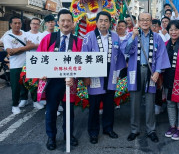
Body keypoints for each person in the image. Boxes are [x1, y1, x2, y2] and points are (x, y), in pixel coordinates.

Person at [37, 9, 82, 150]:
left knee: (69, 111)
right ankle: (51, 137)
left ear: (73, 23)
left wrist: (75, 77)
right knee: (51, 110)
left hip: (70, 81)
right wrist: (41, 72)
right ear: (58, 23)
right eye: (62, 20)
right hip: (53, 82)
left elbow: (83, 64)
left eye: (68, 20)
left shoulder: (78, 42)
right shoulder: (48, 39)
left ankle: (69, 135)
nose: (65, 23)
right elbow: (39, 58)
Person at [124, 12, 170, 143]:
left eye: (147, 20)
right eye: (142, 20)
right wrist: (133, 36)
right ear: (138, 21)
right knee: (134, 101)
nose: (145, 22)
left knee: (150, 101)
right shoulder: (132, 35)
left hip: (151, 71)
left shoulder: (157, 37)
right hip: (135, 70)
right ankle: (134, 129)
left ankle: (151, 130)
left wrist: (158, 71)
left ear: (151, 22)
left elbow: (161, 55)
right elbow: (126, 51)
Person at [82, 11, 126, 144]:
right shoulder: (89, 37)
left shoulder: (115, 36)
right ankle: (93, 132)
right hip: (95, 76)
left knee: (109, 105)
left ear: (109, 23)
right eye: (100, 20)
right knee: (94, 106)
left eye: (106, 21)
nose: (103, 23)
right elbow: (84, 57)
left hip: (111, 73)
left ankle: (108, 128)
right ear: (96, 22)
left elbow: (119, 57)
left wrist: (118, 73)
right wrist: (86, 76)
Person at [3, 16, 36, 114]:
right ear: (10, 25)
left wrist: (17, 49)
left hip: (28, 64)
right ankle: (15, 105)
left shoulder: (25, 34)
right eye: (15, 23)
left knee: (31, 84)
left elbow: (32, 46)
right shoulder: (7, 37)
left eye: (19, 23)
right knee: (16, 87)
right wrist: (25, 47)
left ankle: (33, 101)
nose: (17, 25)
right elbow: (10, 52)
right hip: (15, 66)